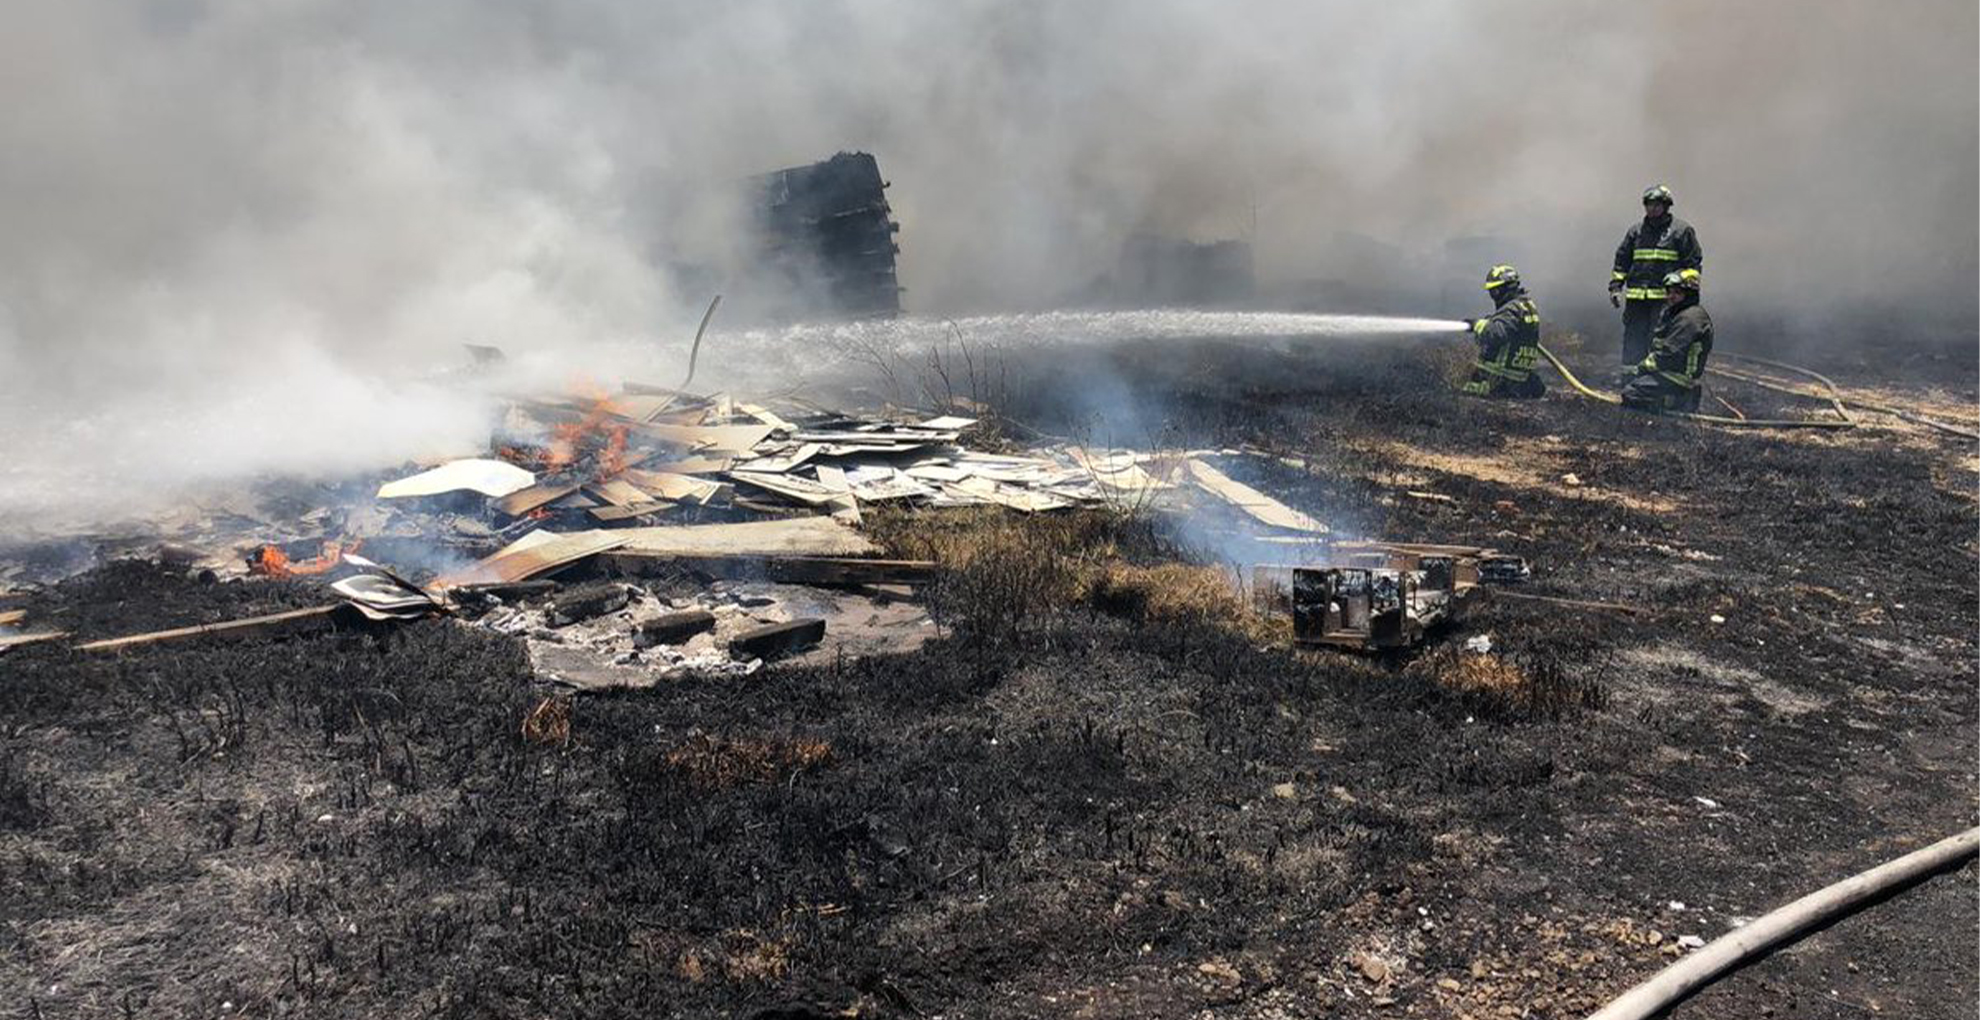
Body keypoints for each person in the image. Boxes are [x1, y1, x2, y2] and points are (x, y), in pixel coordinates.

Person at [1610, 185, 1702, 381]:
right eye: (1649, 205)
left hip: (1665, 300)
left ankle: (1654, 380)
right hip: (1636, 299)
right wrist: (1616, 288)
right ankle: (1630, 380)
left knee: (1658, 340)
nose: (1652, 209)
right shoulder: (1635, 232)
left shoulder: (1681, 231)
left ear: (1666, 206)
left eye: (1656, 205)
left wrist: (1681, 289)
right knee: (1633, 340)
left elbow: (1693, 266)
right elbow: (1622, 261)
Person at [1621, 269, 1713, 413]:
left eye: (1677, 293)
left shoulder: (1690, 319)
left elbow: (1670, 354)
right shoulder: (1678, 313)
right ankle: (1677, 397)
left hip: (1678, 377)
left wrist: (1643, 366)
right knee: (1633, 386)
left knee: (1631, 393)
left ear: (1689, 294)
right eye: (1669, 292)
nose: (1671, 296)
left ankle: (1678, 400)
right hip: (1670, 372)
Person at [1460, 264, 1544, 398]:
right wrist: (1489, 322)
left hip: (1498, 381)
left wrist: (1477, 325)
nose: (1494, 297)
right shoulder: (1527, 306)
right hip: (1518, 379)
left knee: (1456, 385)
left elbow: (1497, 334)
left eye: (1494, 292)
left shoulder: (1512, 309)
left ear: (1504, 288)